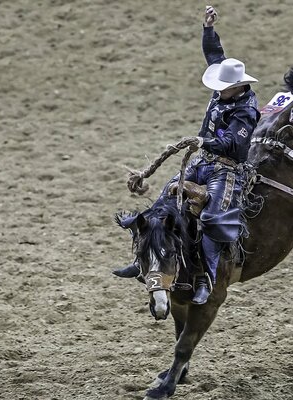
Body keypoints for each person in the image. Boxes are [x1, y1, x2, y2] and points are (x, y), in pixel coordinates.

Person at [114, 5, 261, 304]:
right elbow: (214, 56)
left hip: (227, 170)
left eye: (223, 86)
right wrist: (208, 29)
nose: (217, 89)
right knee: (160, 205)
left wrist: (203, 142)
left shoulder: (245, 112)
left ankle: (206, 277)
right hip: (202, 163)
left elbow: (234, 145)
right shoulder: (226, 93)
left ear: (236, 86)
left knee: (213, 220)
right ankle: (144, 260)